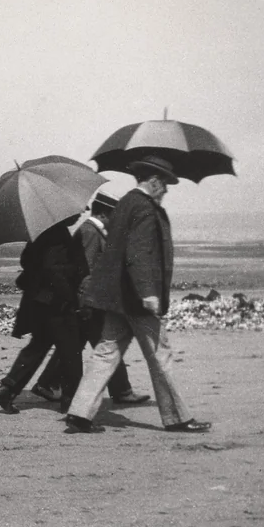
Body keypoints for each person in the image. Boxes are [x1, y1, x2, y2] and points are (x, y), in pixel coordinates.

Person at [64, 155, 211, 434]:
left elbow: (120, 251)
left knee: (105, 354)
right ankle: (177, 417)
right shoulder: (144, 208)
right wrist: (148, 293)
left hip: (117, 297)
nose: (166, 190)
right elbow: (138, 254)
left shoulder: (126, 204)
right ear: (154, 182)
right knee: (160, 355)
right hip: (135, 299)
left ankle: (80, 414)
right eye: (165, 184)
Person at [29, 193, 149, 406]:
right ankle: (122, 391)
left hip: (88, 301)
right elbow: (86, 271)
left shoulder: (90, 230)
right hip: (90, 302)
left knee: (77, 346)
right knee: (107, 345)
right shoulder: (90, 232)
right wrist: (88, 302)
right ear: (104, 214)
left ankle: (47, 383)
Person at [0, 215, 89, 414]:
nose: (79, 215)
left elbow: (26, 260)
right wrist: (71, 297)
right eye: (76, 213)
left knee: (37, 347)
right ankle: (71, 403)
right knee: (71, 353)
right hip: (57, 303)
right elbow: (54, 270)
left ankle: (8, 388)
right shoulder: (59, 234)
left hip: (39, 301)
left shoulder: (40, 231)